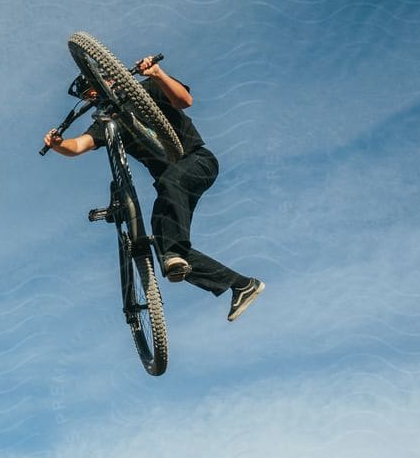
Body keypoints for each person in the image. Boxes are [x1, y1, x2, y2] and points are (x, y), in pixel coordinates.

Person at [44, 56, 264, 321]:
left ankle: (177, 253)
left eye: (96, 87)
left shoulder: (145, 90)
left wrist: (158, 74)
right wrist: (59, 144)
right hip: (171, 184)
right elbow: (78, 146)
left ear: (109, 79)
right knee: (166, 249)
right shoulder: (108, 122)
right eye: (91, 95)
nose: (95, 95)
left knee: (170, 188)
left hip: (197, 161)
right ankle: (240, 285)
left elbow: (185, 101)